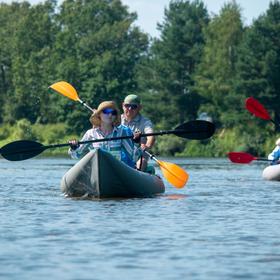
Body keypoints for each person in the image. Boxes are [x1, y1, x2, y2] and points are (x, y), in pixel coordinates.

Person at [69, 101, 137, 168]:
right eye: (106, 111)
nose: (110, 115)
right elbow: (76, 156)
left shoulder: (122, 132)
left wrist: (136, 142)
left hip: (116, 170)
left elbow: (133, 157)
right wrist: (73, 148)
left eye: (113, 113)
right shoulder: (90, 134)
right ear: (99, 115)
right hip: (97, 169)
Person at [121, 94, 155, 171]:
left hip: (138, 158)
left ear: (139, 108)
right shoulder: (116, 120)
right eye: (127, 105)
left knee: (142, 162)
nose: (129, 109)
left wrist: (147, 146)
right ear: (123, 105)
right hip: (120, 156)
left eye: (134, 106)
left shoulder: (145, 122)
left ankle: (137, 176)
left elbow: (151, 137)